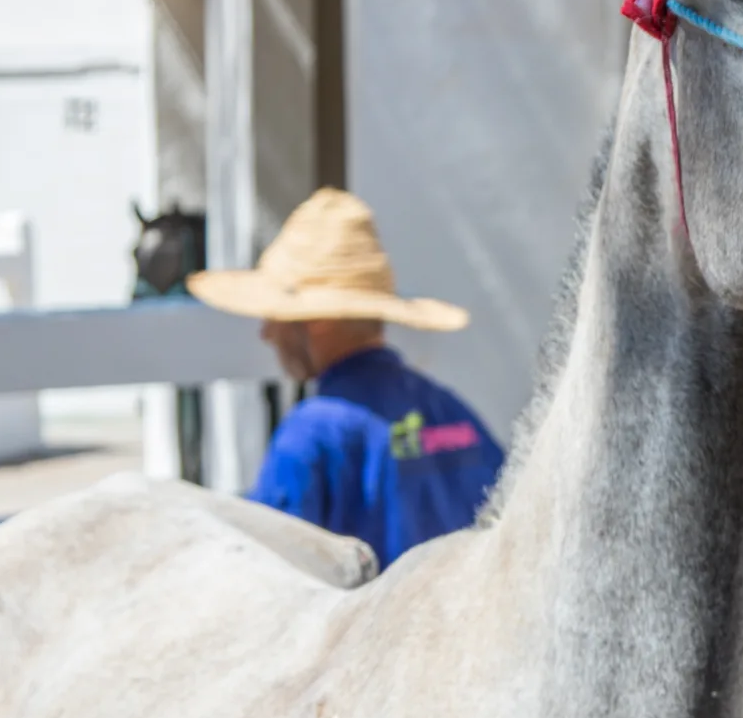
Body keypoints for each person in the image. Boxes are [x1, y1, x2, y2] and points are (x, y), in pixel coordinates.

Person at [186, 187, 506, 568]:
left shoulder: (312, 433)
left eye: (277, 316)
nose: (266, 333)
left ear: (319, 322)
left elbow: (261, 574)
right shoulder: (451, 410)